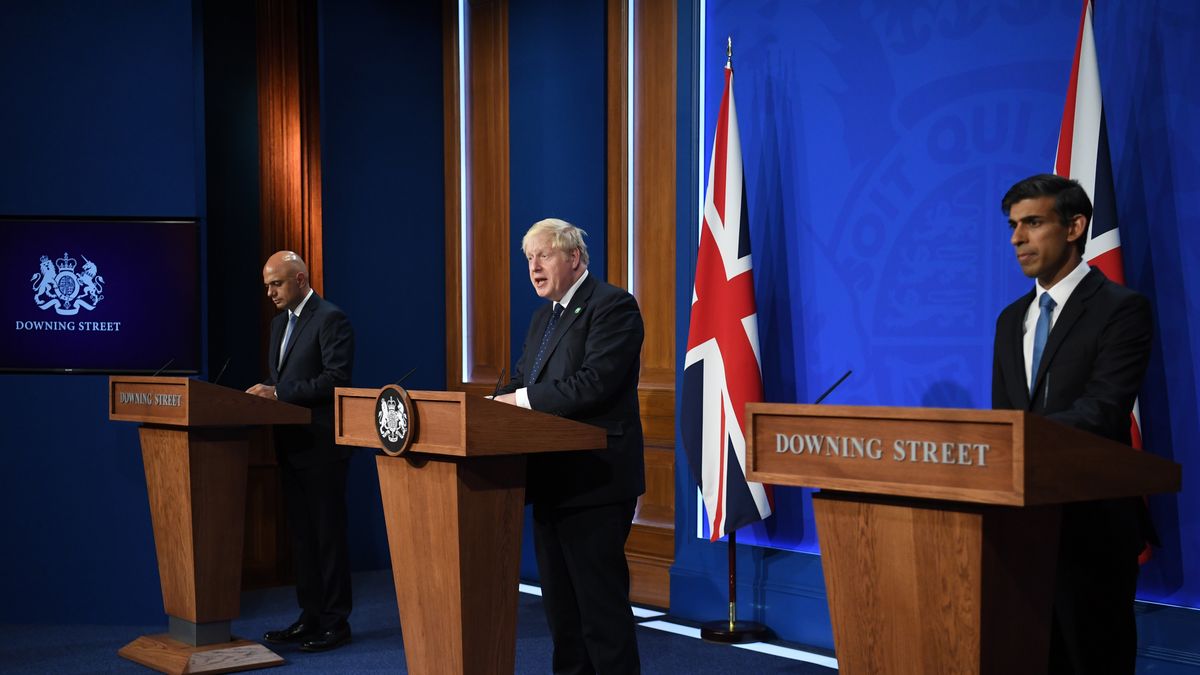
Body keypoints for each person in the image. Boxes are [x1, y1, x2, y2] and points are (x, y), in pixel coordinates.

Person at [992, 174, 1153, 674]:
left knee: (1091, 661)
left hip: (1092, 528)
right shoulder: (1009, 318)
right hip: (1020, 527)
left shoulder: (1120, 310)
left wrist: (1022, 437)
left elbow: (1104, 410)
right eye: (1014, 225)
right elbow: (1005, 417)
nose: (1017, 238)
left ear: (1074, 227)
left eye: (1033, 223)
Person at [493, 218, 645, 674]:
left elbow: (593, 384)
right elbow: (525, 380)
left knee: (601, 612)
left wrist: (518, 399)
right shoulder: (545, 317)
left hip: (595, 481)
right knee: (562, 614)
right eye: (528, 259)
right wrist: (495, 405)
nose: (533, 267)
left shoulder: (613, 306)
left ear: (574, 257)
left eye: (543, 256)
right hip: (551, 479)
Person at [247, 250, 355, 652]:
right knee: (302, 539)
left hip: (323, 448)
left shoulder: (331, 319)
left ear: (301, 280)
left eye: (276, 284)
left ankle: (335, 623)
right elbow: (282, 378)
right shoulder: (279, 325)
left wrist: (276, 392)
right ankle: (309, 617)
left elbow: (335, 379)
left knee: (328, 537)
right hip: (289, 446)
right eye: (267, 286)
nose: (270, 293)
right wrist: (266, 392)